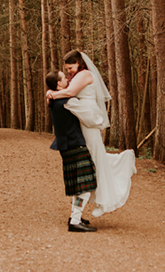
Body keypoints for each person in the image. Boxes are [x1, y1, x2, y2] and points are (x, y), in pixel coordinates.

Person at [46, 50, 136, 218]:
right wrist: (52, 93)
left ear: (79, 63)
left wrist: (52, 93)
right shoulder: (71, 90)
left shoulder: (85, 74)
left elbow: (70, 93)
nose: (69, 73)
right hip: (82, 121)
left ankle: (103, 201)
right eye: (66, 71)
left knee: (96, 159)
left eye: (70, 68)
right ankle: (80, 213)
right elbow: (68, 94)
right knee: (93, 161)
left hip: (87, 116)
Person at [46, 70, 98, 232]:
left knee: (78, 185)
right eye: (64, 78)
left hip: (65, 146)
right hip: (76, 145)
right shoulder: (69, 101)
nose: (68, 79)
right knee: (85, 186)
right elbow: (89, 118)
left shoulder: (53, 100)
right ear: (58, 84)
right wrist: (101, 122)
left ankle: (75, 215)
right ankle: (75, 221)